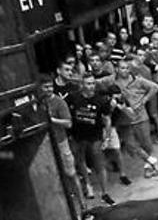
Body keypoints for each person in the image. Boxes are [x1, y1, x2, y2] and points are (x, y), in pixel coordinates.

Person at [68, 73, 115, 205]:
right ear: (82, 85)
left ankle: (105, 193)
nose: (91, 86)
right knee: (80, 160)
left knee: (99, 163)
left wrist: (107, 138)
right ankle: (88, 185)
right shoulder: (73, 97)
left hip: (95, 136)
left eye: (93, 83)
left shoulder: (101, 100)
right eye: (88, 84)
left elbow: (107, 119)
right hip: (77, 136)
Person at [39, 73, 84, 205]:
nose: (48, 89)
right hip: (46, 145)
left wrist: (52, 120)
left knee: (71, 173)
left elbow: (68, 123)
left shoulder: (59, 102)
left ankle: (82, 204)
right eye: (45, 87)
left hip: (61, 142)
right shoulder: (38, 102)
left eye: (50, 86)